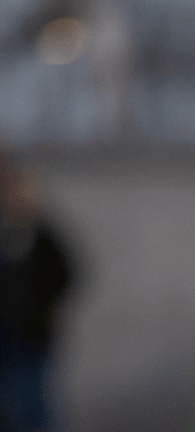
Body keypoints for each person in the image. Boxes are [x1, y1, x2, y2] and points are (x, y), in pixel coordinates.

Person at [0, 152, 75, 432]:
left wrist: (42, 315)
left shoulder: (39, 235)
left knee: (34, 413)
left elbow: (66, 275)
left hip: (29, 345)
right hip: (7, 344)